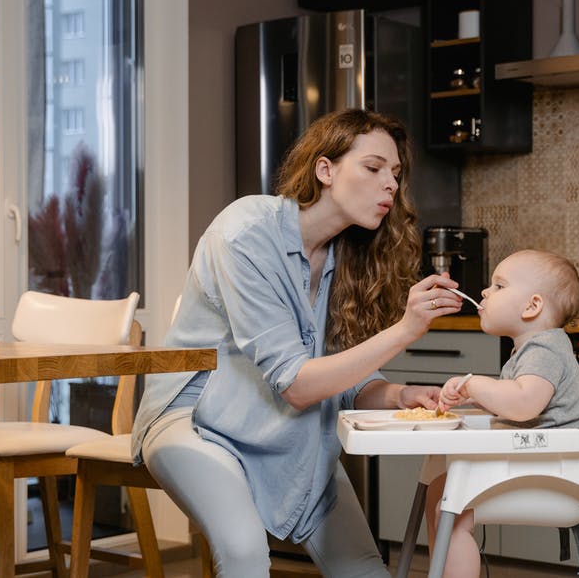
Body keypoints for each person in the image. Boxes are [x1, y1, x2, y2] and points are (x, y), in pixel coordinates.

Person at [129, 108, 464, 577]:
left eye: (395, 173)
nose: (390, 184)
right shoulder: (244, 232)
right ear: (325, 170)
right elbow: (298, 384)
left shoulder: (350, 256)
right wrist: (406, 329)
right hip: (197, 420)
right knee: (244, 553)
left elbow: (346, 380)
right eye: (372, 168)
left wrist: (399, 395)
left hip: (291, 429)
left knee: (364, 569)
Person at [428, 248, 579, 578]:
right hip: (537, 464)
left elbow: (523, 404)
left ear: (532, 306)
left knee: (450, 505)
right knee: (439, 486)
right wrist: (472, 400)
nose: (485, 292)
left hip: (549, 474)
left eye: (499, 286)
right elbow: (521, 407)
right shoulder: (530, 349)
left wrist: (473, 384)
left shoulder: (545, 348)